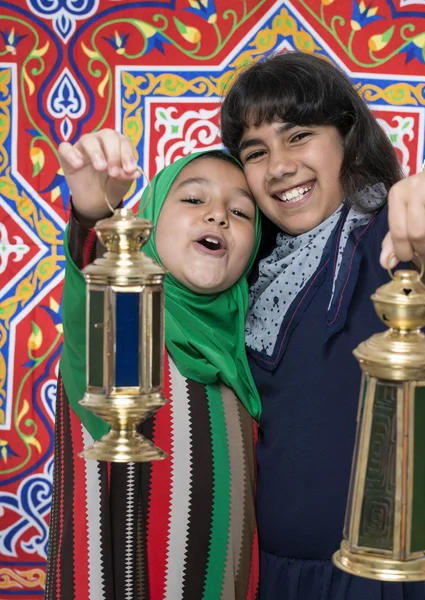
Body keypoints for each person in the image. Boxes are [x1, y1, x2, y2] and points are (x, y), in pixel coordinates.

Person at [218, 51, 425, 599]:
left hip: (378, 581)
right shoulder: (248, 277)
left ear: (346, 137)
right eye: (256, 151)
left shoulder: (388, 241)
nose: (278, 165)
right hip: (271, 578)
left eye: (298, 135)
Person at [45, 138, 262, 600]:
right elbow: (94, 286)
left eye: (241, 212)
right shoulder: (130, 330)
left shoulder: (251, 361)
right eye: (192, 199)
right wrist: (93, 214)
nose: (218, 215)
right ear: (148, 224)